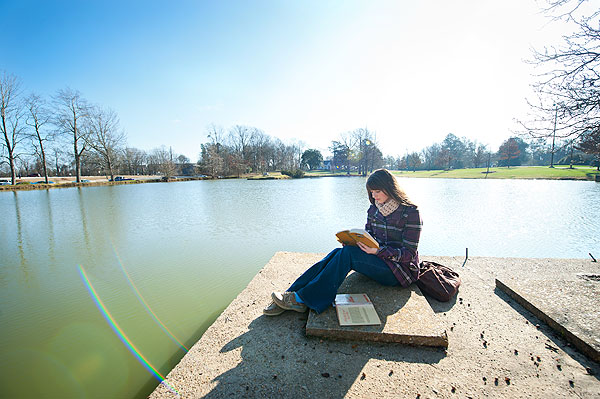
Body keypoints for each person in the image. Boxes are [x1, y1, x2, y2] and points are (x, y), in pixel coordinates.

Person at [264, 168, 422, 316]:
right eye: (371, 192)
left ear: (390, 188)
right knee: (338, 252)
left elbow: (409, 254)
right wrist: (354, 241)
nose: (374, 196)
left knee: (347, 255)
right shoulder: (374, 209)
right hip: (378, 259)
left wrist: (377, 251)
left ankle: (302, 300)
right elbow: (370, 234)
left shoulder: (411, 212)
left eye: (377, 191)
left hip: (399, 271)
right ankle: (291, 294)